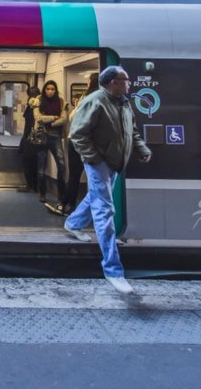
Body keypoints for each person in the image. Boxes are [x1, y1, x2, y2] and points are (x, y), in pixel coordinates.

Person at [64, 66, 152, 294]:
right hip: (99, 162)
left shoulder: (123, 102)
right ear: (113, 82)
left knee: (96, 197)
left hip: (114, 162)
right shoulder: (96, 101)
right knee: (105, 209)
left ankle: (73, 223)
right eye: (126, 79)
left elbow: (132, 130)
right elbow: (77, 134)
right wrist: (94, 159)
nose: (130, 83)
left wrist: (140, 148)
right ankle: (113, 270)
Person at [64, 73, 98, 213]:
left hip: (77, 141)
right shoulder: (103, 98)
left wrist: (77, 107)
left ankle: (69, 204)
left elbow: (73, 118)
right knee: (95, 177)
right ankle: (91, 207)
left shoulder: (86, 98)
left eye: (89, 81)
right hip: (93, 143)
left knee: (74, 174)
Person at [32, 80, 68, 210]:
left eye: (53, 89)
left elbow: (64, 119)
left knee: (62, 166)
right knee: (42, 167)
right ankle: (42, 193)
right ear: (44, 90)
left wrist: (51, 122)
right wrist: (54, 118)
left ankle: (61, 194)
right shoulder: (38, 100)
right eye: (48, 89)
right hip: (42, 136)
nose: (50, 91)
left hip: (55, 136)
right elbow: (38, 118)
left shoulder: (61, 101)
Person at [18, 86, 42, 192]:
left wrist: (25, 139)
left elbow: (29, 124)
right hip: (33, 136)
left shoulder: (33, 105)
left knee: (28, 161)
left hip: (31, 136)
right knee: (33, 161)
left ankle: (31, 185)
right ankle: (34, 185)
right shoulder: (36, 104)